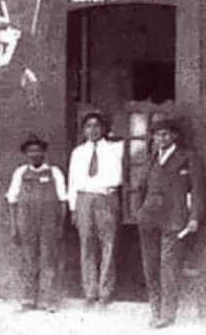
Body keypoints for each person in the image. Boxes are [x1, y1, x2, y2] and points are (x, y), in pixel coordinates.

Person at [136, 117, 204, 328]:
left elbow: (197, 190)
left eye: (165, 134)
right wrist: (140, 212)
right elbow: (141, 188)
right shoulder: (151, 158)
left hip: (174, 220)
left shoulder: (187, 157)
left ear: (174, 136)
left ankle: (167, 314)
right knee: (151, 267)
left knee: (169, 268)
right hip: (149, 220)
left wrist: (194, 217)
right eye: (158, 134)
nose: (161, 138)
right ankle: (155, 310)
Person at [67, 111, 125, 307]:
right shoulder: (78, 152)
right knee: (87, 245)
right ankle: (90, 292)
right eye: (88, 126)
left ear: (104, 128)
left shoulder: (116, 149)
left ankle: (105, 292)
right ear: (83, 130)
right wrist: (73, 208)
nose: (93, 130)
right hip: (84, 199)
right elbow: (72, 181)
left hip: (106, 197)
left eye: (97, 126)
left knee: (109, 244)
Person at [6, 132, 68, 312]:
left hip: (49, 223)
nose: (35, 154)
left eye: (38, 150)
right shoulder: (20, 173)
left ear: (44, 152)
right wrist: (14, 226)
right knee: (28, 259)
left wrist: (60, 225)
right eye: (31, 151)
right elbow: (12, 201)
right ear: (26, 154)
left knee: (49, 260)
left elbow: (63, 201)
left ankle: (48, 300)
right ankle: (28, 299)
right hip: (26, 222)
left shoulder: (54, 172)